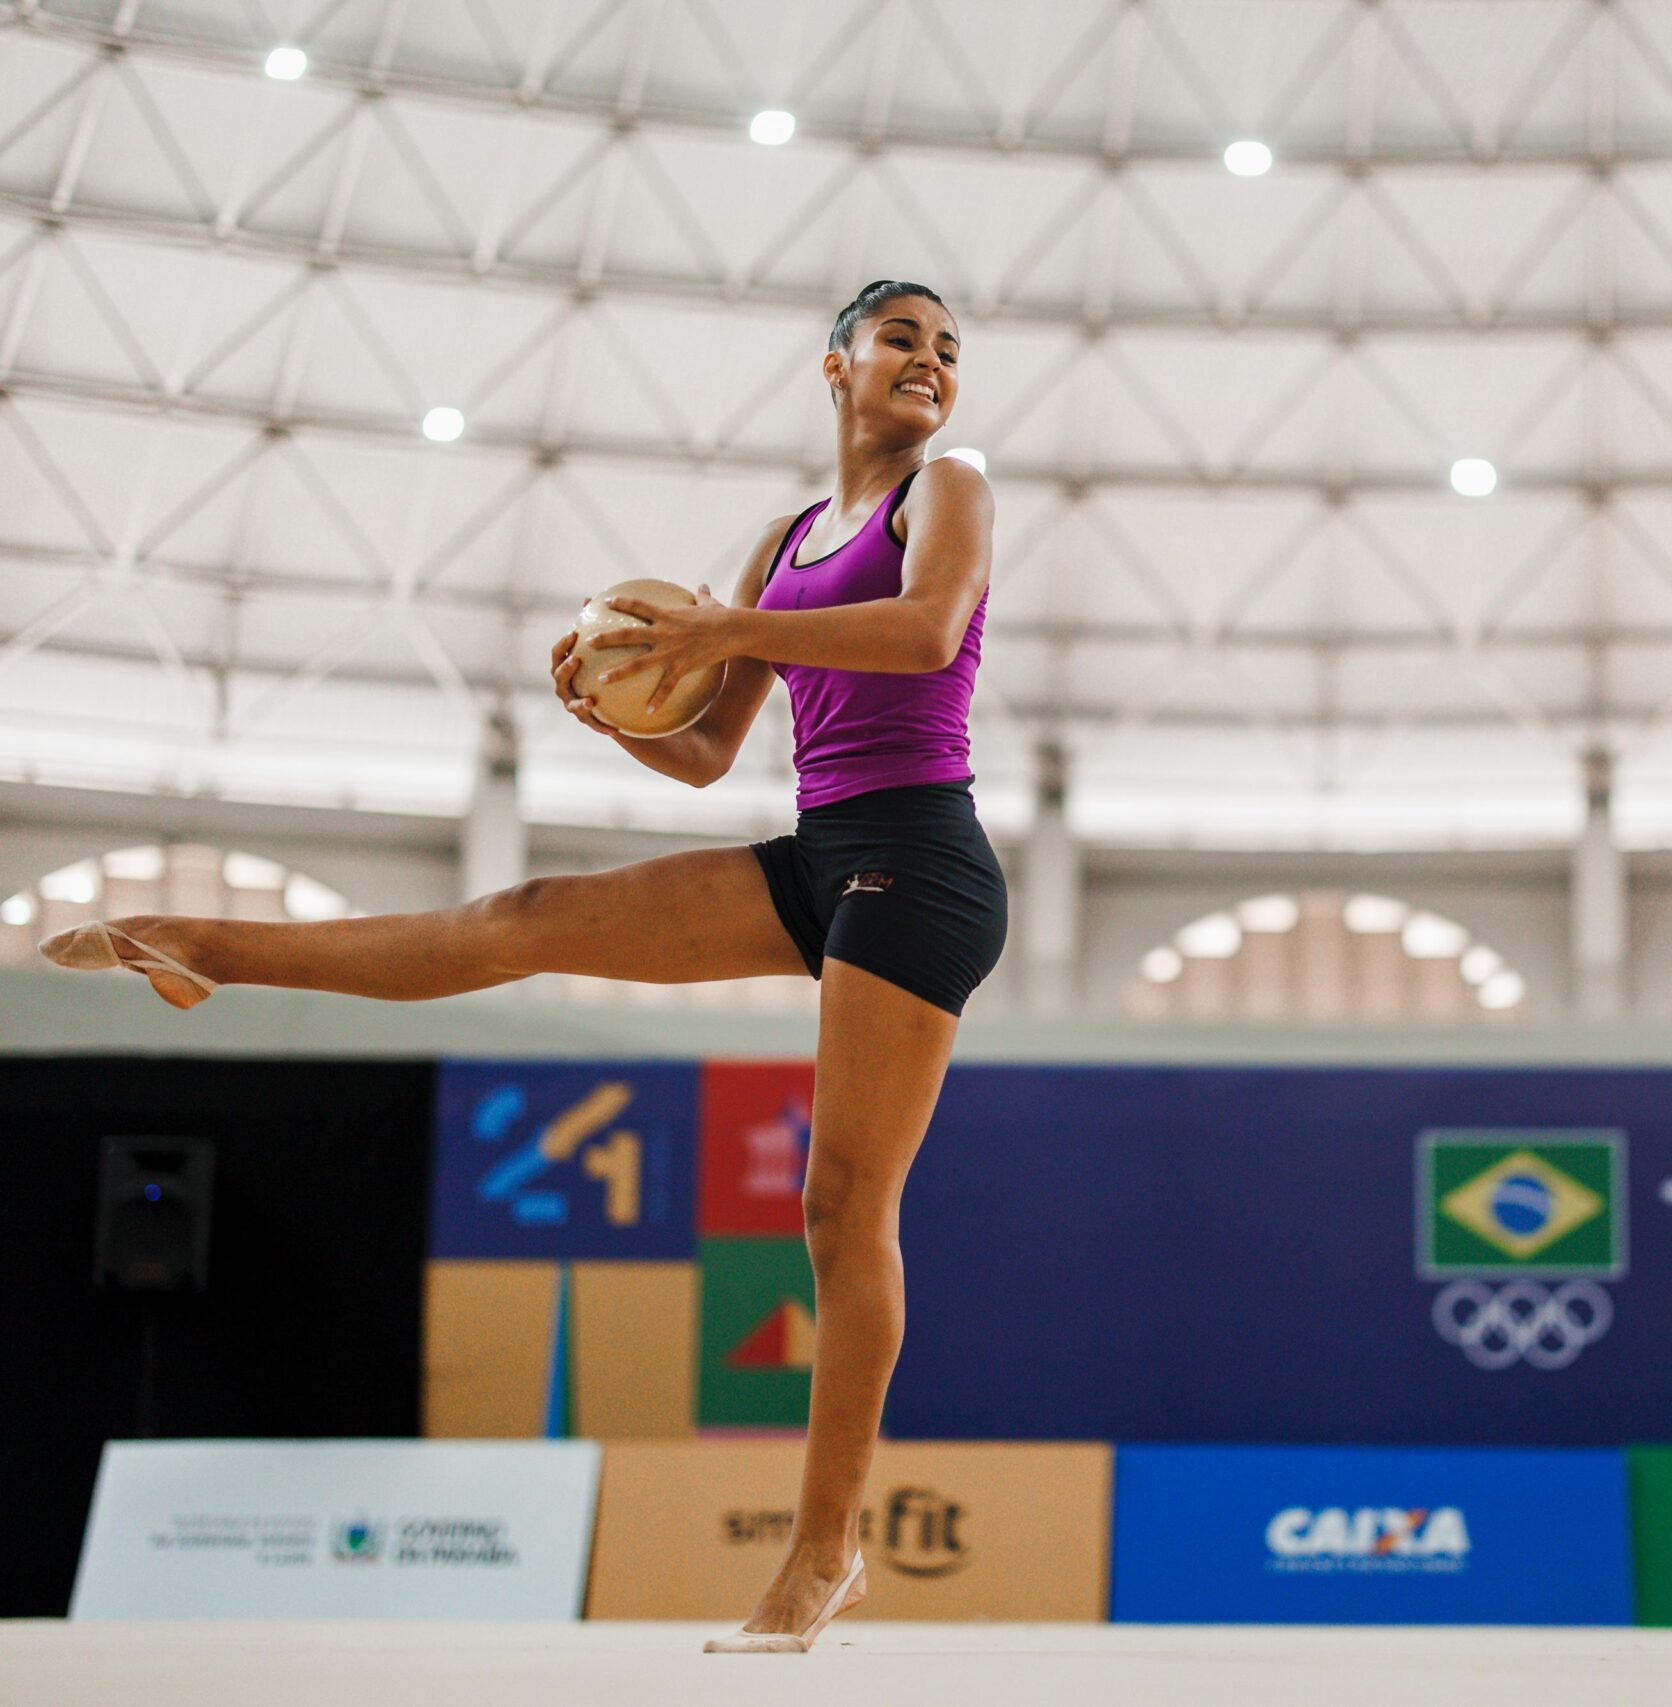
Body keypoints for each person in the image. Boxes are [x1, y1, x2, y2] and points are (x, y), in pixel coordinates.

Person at [40, 279, 1005, 1653]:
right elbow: (709, 755)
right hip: (820, 852)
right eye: (902, 338)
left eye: (949, 350)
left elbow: (923, 632)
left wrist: (725, 633)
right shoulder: (787, 539)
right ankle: (203, 945)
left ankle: (822, 1553)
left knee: (843, 1208)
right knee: (531, 910)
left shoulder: (950, 483)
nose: (931, 363)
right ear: (836, 365)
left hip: (925, 860)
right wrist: (611, 712)